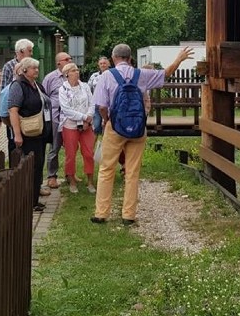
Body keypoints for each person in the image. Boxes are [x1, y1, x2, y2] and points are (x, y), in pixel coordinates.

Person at [91, 44, 193, 225]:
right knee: (132, 171)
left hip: (115, 127)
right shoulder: (142, 75)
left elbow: (101, 106)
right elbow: (165, 74)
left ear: (114, 59)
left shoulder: (106, 76)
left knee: (107, 169)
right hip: (138, 128)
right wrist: (179, 59)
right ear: (130, 59)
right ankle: (128, 215)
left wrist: (107, 120)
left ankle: (101, 213)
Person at [8, 57, 53, 211]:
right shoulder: (18, 85)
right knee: (30, 167)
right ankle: (27, 200)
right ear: (25, 69)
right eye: (33, 68)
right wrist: (17, 134)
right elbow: (13, 110)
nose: (36, 71)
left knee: (38, 166)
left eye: (37, 68)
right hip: (27, 134)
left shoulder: (37, 85)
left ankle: (34, 199)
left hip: (39, 132)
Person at [58, 63, 96, 194]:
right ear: (67, 73)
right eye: (74, 70)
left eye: (77, 70)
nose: (77, 72)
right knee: (71, 154)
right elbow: (66, 110)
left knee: (89, 153)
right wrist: (84, 117)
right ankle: (72, 181)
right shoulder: (63, 89)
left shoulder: (85, 86)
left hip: (87, 125)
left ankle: (90, 181)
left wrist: (89, 117)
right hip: (70, 125)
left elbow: (92, 103)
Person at [41, 52, 72, 189]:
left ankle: (70, 174)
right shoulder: (50, 78)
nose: (70, 61)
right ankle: (52, 176)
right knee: (55, 147)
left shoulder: (72, 76)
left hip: (71, 118)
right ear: (59, 62)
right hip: (56, 118)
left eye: (71, 59)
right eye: (67, 59)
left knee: (71, 147)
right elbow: (44, 98)